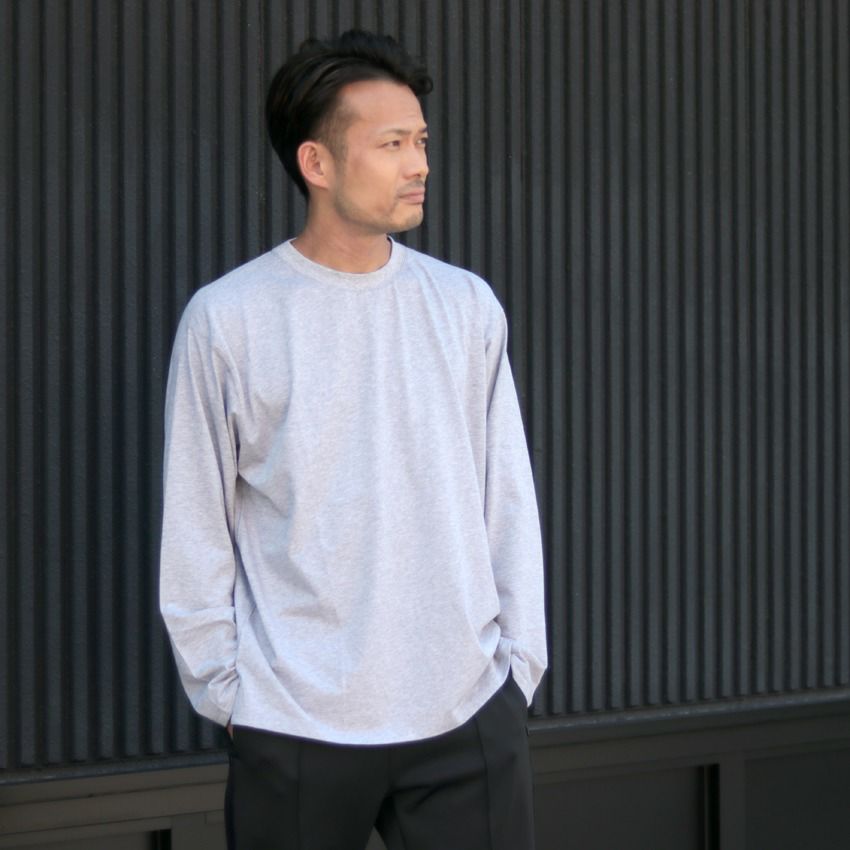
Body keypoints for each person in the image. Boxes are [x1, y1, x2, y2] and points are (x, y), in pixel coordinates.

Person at [160, 29, 547, 850]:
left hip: (467, 716)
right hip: (294, 725)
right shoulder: (229, 320)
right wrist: (229, 696)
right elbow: (196, 526)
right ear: (317, 163)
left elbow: (506, 499)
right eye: (392, 144)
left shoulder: (465, 306)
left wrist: (518, 669)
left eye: (421, 142)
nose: (419, 165)